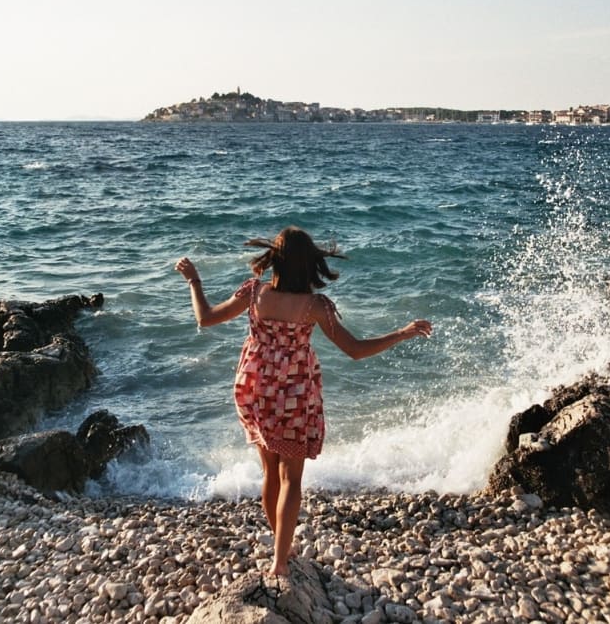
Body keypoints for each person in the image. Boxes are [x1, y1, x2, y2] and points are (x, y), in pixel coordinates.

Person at [175, 226, 432, 576]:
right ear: (309, 265)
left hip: (255, 391)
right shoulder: (315, 306)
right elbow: (355, 350)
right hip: (294, 395)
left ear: (275, 260)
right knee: (291, 479)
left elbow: (205, 318)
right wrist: (401, 333)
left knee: (270, 473)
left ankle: (283, 547)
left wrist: (194, 281)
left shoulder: (254, 293)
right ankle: (280, 562)